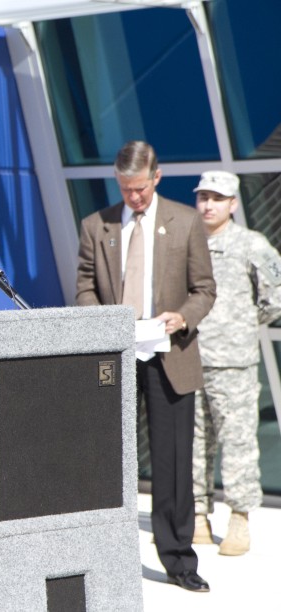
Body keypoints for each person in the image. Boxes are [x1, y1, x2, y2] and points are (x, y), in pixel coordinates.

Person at [76, 141, 216, 593]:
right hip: (114, 356)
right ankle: (99, 559)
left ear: (156, 177)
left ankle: (179, 561)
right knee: (103, 459)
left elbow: (204, 289)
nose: (134, 197)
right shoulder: (96, 225)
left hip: (169, 353)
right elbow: (83, 287)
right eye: (126, 189)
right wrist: (100, 320)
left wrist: (183, 317)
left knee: (173, 463)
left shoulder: (186, 221)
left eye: (140, 188)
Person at [192, 170, 281, 555]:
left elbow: (274, 298)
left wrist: (242, 325)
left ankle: (240, 518)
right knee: (193, 443)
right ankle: (197, 515)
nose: (208, 205)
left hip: (234, 363)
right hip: (188, 357)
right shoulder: (185, 241)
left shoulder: (251, 245)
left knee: (238, 442)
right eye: (203, 197)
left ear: (232, 203)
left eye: (217, 198)